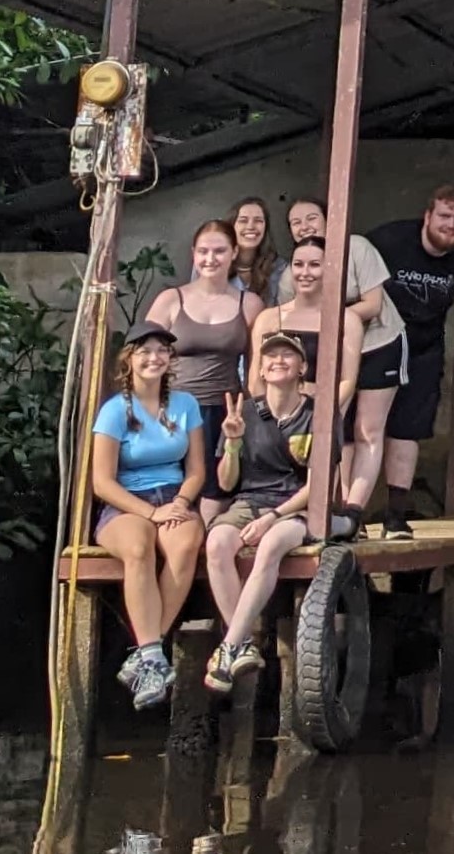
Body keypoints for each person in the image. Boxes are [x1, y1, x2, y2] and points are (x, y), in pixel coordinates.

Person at [85, 326, 206, 708]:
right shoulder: (114, 410)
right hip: (126, 502)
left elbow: (197, 470)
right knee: (139, 549)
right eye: (145, 351)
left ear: (170, 360)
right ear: (130, 359)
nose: (153, 358)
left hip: (173, 497)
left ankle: (147, 653)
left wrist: (180, 503)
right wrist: (150, 512)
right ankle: (153, 653)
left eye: (161, 351)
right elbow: (101, 482)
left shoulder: (186, 405)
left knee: (185, 547)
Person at [199, 327, 319, 691]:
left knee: (270, 546)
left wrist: (274, 517)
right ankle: (245, 642)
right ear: (260, 370)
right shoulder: (244, 412)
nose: (278, 361)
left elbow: (319, 486)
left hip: (295, 508)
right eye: (270, 357)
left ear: (302, 367)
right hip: (249, 501)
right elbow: (227, 481)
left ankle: (229, 645)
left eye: (287, 355)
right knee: (217, 543)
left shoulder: (317, 414)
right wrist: (233, 442)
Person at [365, 183, 454, 539]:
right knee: (361, 430)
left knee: (408, 430)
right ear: (427, 216)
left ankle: (395, 518)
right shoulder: (387, 241)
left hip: (424, 348)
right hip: (377, 342)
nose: (451, 225)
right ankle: (347, 513)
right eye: (445, 216)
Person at [249, 238, 382, 533]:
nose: (305, 272)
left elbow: (347, 378)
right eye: (298, 264)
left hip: (319, 418)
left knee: (317, 486)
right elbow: (255, 378)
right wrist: (272, 415)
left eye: (314, 265)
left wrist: (317, 411)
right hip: (273, 418)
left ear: (330, 269)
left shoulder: (346, 320)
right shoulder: (269, 318)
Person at [143, 219, 254, 427]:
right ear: (194, 253)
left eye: (219, 251)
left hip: (226, 413)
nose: (210, 259)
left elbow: (255, 369)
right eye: (203, 251)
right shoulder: (170, 299)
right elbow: (142, 357)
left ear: (235, 252)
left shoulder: (250, 304)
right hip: (173, 408)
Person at [229, 196, 280, 301]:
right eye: (243, 220)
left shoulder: (279, 268)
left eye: (258, 220)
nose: (251, 226)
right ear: (231, 226)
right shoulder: (213, 262)